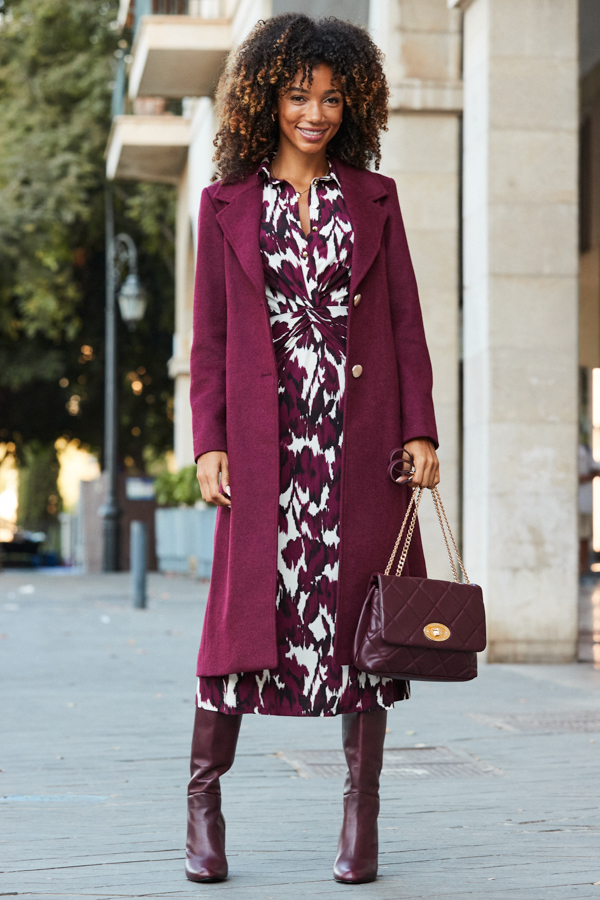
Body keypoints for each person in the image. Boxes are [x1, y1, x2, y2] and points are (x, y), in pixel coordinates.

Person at [186, 13, 440, 885]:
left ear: (352, 102)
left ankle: (360, 814)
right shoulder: (224, 206)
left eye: (333, 97)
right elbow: (211, 339)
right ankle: (203, 801)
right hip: (265, 450)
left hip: (356, 446)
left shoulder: (376, 197)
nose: (315, 113)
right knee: (236, 628)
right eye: (299, 95)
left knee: (363, 635)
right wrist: (209, 443)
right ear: (267, 98)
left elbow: (406, 323)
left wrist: (419, 430)